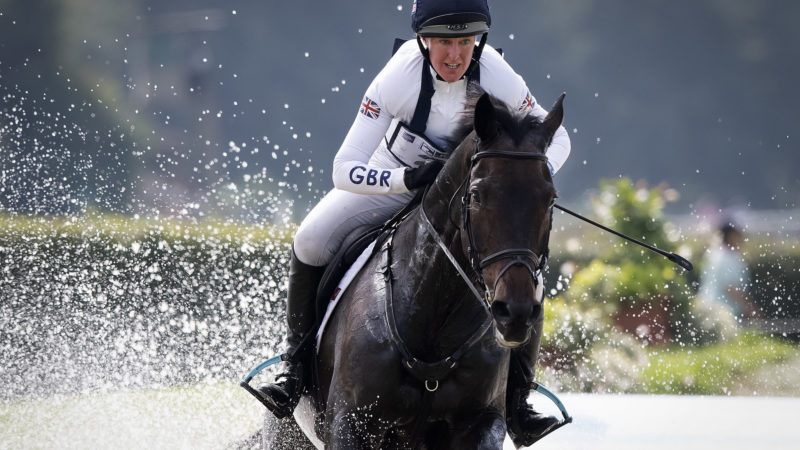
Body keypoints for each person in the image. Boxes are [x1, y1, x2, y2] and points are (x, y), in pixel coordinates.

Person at [258, 0, 570, 444]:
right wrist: (403, 177)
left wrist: (525, 180)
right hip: (392, 184)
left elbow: (557, 138)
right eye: (444, 42)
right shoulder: (398, 78)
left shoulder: (497, 73)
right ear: (424, 41)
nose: (455, 56)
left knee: (519, 268)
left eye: (464, 42)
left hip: (467, 199)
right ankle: (294, 369)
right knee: (310, 240)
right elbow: (344, 168)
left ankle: (517, 399)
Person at [696, 221, 760, 335]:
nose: (742, 239)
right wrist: (751, 310)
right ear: (732, 236)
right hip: (724, 314)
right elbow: (731, 288)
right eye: (739, 235)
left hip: (707, 309)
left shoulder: (713, 254)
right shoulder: (729, 258)